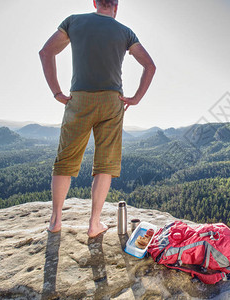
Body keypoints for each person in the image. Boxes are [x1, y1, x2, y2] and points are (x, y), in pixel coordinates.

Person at [39, 0, 156, 237]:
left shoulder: (73, 22)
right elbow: (149, 66)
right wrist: (136, 99)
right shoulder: (125, 32)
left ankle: (55, 220)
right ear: (116, 5)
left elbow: (46, 52)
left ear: (95, 2)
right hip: (112, 101)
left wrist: (57, 92)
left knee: (66, 159)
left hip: (79, 98)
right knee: (106, 163)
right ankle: (94, 224)